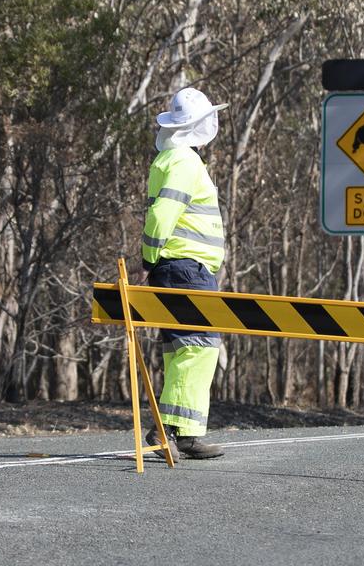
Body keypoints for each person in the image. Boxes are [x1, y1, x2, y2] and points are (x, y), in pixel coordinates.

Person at [141, 87, 227, 461]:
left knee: (182, 350)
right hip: (186, 268)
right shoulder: (185, 163)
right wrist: (150, 256)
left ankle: (187, 435)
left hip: (180, 268)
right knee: (198, 347)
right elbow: (162, 215)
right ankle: (168, 429)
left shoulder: (170, 159)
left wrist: (153, 261)